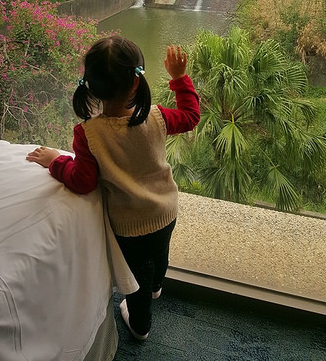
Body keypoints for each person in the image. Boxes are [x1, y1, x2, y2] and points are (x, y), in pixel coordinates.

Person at [26, 35, 200, 341]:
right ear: (136, 82)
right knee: (160, 253)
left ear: (90, 87)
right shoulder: (157, 117)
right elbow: (190, 116)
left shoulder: (89, 133)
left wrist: (55, 162)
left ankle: (140, 325)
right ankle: (158, 284)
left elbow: (83, 181)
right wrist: (179, 78)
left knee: (136, 277)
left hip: (130, 226)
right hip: (166, 210)